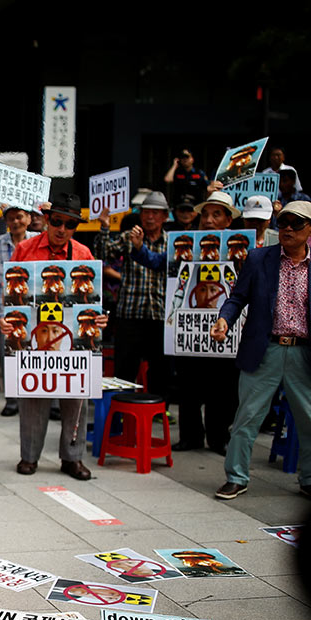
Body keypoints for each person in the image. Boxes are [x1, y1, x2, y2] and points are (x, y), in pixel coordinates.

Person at [0, 193, 105, 480]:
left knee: (76, 398)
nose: (62, 229)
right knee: (33, 397)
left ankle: (72, 458)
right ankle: (29, 456)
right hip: (35, 339)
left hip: (71, 340)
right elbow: (9, 293)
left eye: (70, 225)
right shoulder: (25, 249)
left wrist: (100, 317)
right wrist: (5, 320)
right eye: (57, 221)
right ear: (47, 220)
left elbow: (93, 299)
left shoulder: (83, 254)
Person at [210, 201, 311, 500]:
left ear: (310, 229)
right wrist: (223, 320)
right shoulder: (258, 258)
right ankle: (236, 476)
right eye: (283, 222)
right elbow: (237, 297)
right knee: (247, 417)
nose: (288, 229)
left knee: (309, 419)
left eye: (296, 223)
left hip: (303, 354)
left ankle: (309, 478)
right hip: (264, 349)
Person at [133, 190, 239, 453]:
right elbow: (158, 262)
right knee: (189, 387)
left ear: (228, 220)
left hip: (223, 331)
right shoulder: (185, 244)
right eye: (206, 214)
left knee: (221, 389)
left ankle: (218, 438)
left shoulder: (240, 248)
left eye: (217, 215)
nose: (209, 220)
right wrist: (139, 249)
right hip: (189, 331)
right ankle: (190, 437)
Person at [95, 191, 170, 400]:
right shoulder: (130, 236)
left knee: (160, 367)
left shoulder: (171, 242)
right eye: (146, 212)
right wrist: (104, 227)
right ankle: (121, 409)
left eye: (155, 213)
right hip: (130, 312)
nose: (150, 217)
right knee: (125, 367)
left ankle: (159, 410)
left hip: (160, 314)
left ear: (165, 216)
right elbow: (103, 254)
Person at [0, 203, 39, 416]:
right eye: (11, 218)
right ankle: (12, 399)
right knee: (10, 355)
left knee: (41, 354)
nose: (15, 222)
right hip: (8, 311)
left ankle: (47, 401)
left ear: (29, 219)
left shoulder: (39, 241)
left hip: (37, 310)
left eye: (19, 217)